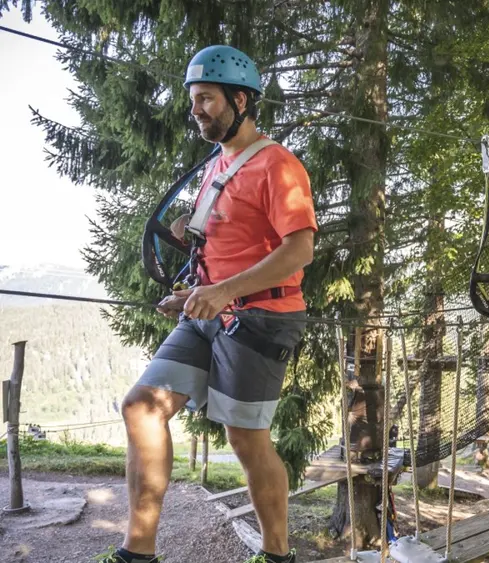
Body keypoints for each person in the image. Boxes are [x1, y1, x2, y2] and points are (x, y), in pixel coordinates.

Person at [99, 46, 316, 563]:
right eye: (193, 100)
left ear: (240, 100)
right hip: (211, 313)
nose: (196, 110)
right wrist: (194, 291)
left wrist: (224, 291)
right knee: (141, 408)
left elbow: (300, 248)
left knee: (246, 438)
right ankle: (138, 552)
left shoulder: (278, 166)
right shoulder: (217, 166)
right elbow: (220, 247)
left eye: (207, 100)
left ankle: (277, 555)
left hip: (262, 318)